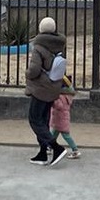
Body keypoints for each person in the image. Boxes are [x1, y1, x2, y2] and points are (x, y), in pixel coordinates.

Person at [25, 17, 68, 166]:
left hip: (40, 88)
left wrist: (27, 73)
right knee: (44, 121)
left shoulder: (39, 46)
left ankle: (55, 147)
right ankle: (43, 153)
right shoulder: (60, 45)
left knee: (35, 120)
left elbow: (34, 69)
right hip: (53, 87)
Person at [50, 75, 80, 159]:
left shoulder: (61, 96)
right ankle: (49, 146)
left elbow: (58, 106)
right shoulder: (67, 95)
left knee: (66, 135)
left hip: (60, 119)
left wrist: (53, 99)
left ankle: (75, 150)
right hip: (60, 119)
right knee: (53, 134)